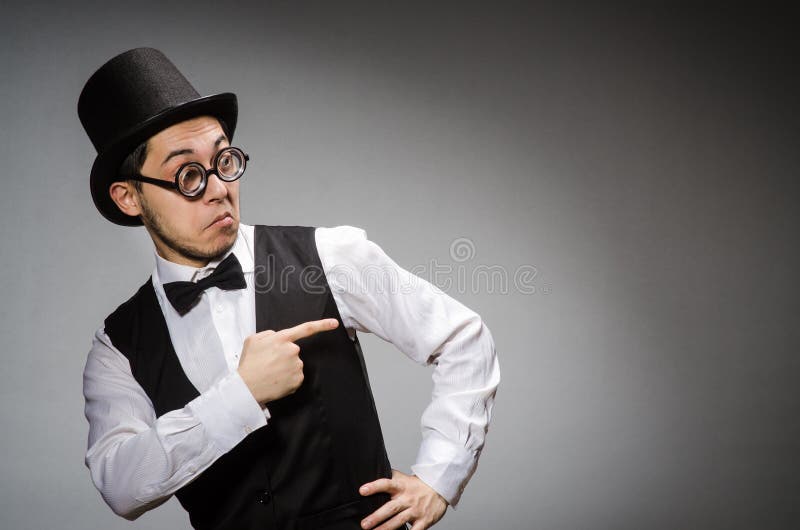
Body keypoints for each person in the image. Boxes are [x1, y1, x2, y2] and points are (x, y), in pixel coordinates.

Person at [77, 47, 500, 530]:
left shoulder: (330, 257)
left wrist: (439, 477)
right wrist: (241, 394)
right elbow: (121, 486)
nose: (219, 188)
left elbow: (463, 338)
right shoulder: (116, 347)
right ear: (129, 197)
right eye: (188, 174)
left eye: (225, 160)